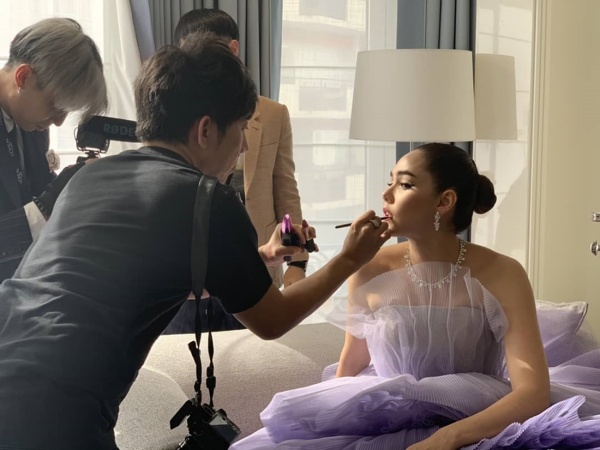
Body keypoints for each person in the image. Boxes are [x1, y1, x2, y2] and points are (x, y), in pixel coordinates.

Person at [0, 31, 391, 450]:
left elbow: (148, 279)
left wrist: (262, 257)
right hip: (56, 408)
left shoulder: (91, 176)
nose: (243, 146)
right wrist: (350, 259)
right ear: (205, 130)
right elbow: (272, 321)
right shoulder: (207, 199)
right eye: (241, 129)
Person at [231, 143, 600, 450]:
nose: (386, 194)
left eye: (404, 184)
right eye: (389, 182)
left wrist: (446, 439)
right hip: (382, 423)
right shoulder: (368, 266)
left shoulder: (503, 272)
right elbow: (352, 363)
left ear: (444, 201)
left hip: (480, 425)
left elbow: (532, 393)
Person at [163, 9, 307, 332]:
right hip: (187, 275)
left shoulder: (273, 114)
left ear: (233, 49)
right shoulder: (175, 116)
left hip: (255, 264)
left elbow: (285, 191)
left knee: (254, 357)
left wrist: (296, 261)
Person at [0, 17, 108, 280]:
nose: (59, 121)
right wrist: (49, 202)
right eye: (55, 106)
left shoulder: (32, 126)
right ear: (23, 77)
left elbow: (32, 194)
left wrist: (73, 188)